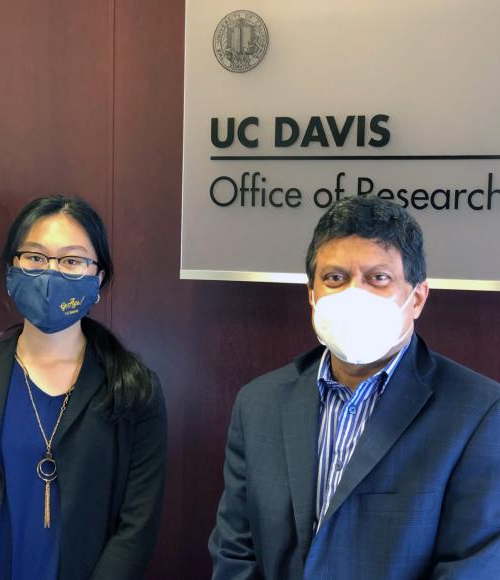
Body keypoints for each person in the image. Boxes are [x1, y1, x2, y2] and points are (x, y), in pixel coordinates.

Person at [209, 196, 500, 579]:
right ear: (312, 295)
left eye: (378, 278)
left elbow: (471, 566)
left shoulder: (478, 411)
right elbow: (236, 552)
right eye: (335, 278)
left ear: (416, 298)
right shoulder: (259, 403)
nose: (353, 294)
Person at [0, 195, 167, 580]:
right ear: (12, 269)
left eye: (71, 260)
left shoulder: (134, 389)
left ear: (98, 277)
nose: (50, 273)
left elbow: (137, 526)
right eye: (35, 257)